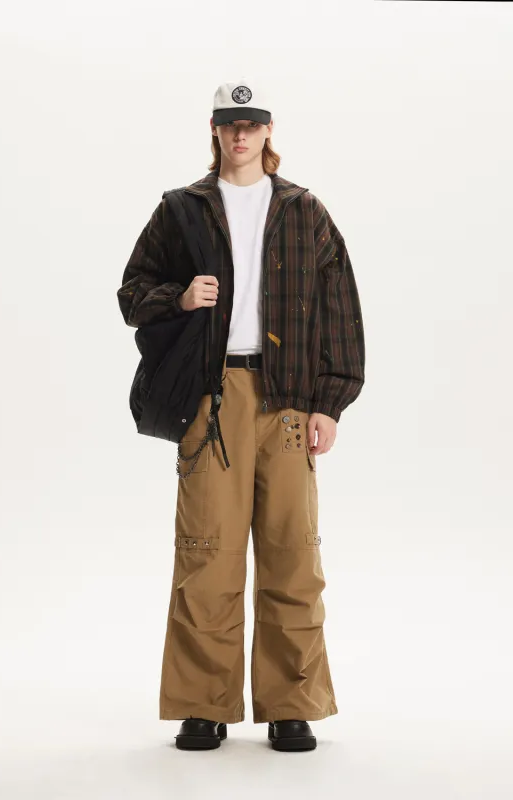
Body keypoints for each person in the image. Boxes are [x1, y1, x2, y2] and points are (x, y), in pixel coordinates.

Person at [117, 78, 365, 751]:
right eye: (230, 124)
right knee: (207, 555)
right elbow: (133, 293)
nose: (241, 134)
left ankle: (291, 705)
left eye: (251, 124)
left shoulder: (304, 211)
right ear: (215, 130)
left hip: (289, 402)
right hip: (212, 396)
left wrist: (330, 403)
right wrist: (179, 297)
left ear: (268, 130)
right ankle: (204, 706)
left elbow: (340, 309)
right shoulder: (182, 210)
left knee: (293, 557)